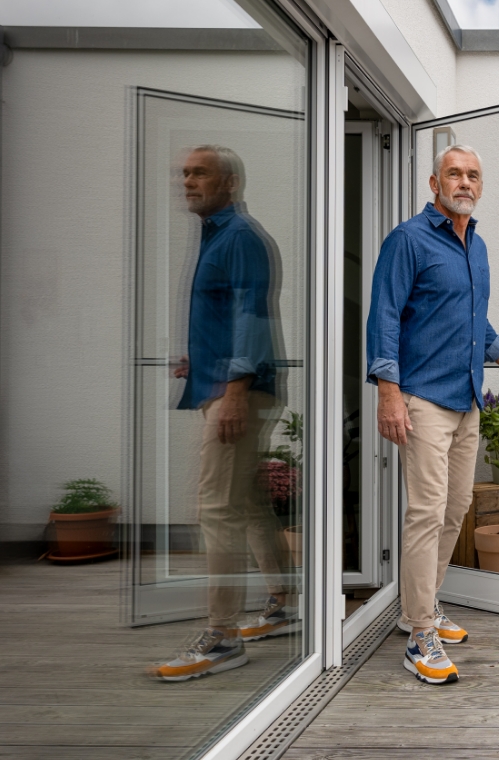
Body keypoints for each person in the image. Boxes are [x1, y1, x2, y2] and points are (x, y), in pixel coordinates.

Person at [366, 144, 499, 685]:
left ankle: (420, 607)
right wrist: (388, 392)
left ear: (480, 186)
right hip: (422, 396)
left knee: (455, 510)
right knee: (426, 512)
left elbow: (475, 319)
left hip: (467, 396)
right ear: (434, 183)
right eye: (454, 173)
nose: (464, 182)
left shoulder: (477, 245)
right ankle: (419, 634)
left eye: (473, 175)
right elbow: (384, 317)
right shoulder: (408, 240)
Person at [152, 145, 296, 682]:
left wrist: (235, 390)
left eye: (200, 173)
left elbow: (250, 316)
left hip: (240, 392)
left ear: (229, 182)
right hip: (226, 383)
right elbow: (224, 315)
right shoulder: (217, 234)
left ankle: (222, 635)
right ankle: (284, 602)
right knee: (247, 503)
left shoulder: (240, 237)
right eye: (185, 173)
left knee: (216, 509)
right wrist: (201, 358)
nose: (188, 181)